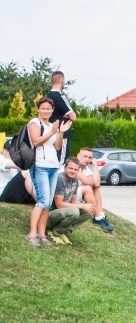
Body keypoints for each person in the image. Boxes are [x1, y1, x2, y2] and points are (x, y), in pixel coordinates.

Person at [25, 97, 71, 247]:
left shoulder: (52, 125)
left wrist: (60, 133)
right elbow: (36, 141)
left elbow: (57, 147)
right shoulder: (34, 122)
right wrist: (52, 132)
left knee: (48, 203)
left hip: (53, 166)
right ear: (38, 109)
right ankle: (32, 234)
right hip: (40, 166)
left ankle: (41, 234)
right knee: (43, 200)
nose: (46, 111)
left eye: (48, 108)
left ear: (52, 110)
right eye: (43, 108)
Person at [45, 157, 93, 244]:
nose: (73, 171)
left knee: (89, 211)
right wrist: (82, 205)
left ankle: (65, 232)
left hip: (63, 212)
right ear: (65, 168)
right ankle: (55, 233)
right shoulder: (60, 179)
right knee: (74, 211)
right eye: (70, 168)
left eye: (76, 169)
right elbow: (59, 204)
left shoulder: (75, 180)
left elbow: (73, 201)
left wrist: (86, 207)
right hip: (49, 215)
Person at [76, 147, 114, 231]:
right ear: (78, 155)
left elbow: (97, 184)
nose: (87, 159)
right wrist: (90, 181)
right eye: (85, 156)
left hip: (77, 194)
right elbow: (87, 181)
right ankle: (97, 217)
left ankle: (100, 215)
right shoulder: (73, 165)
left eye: (89, 157)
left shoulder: (86, 170)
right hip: (68, 194)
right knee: (88, 188)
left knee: (96, 188)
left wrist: (95, 166)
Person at [47, 71, 76, 165]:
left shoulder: (48, 96)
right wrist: (66, 115)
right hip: (62, 133)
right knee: (61, 161)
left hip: (51, 132)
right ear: (61, 80)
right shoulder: (60, 97)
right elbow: (73, 117)